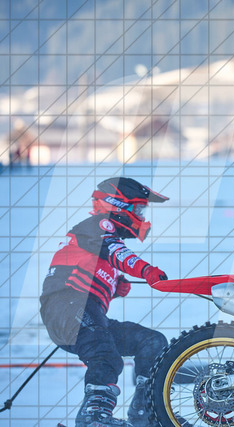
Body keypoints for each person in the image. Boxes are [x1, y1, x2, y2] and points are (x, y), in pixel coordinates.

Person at [40, 177, 170, 427]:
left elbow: (89, 270)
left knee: (152, 341)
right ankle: (93, 416)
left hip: (85, 313)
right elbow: (116, 252)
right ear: (117, 206)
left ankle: (147, 410)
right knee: (106, 354)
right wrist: (146, 270)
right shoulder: (96, 226)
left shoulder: (97, 238)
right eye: (138, 210)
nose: (141, 217)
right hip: (66, 308)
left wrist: (113, 287)